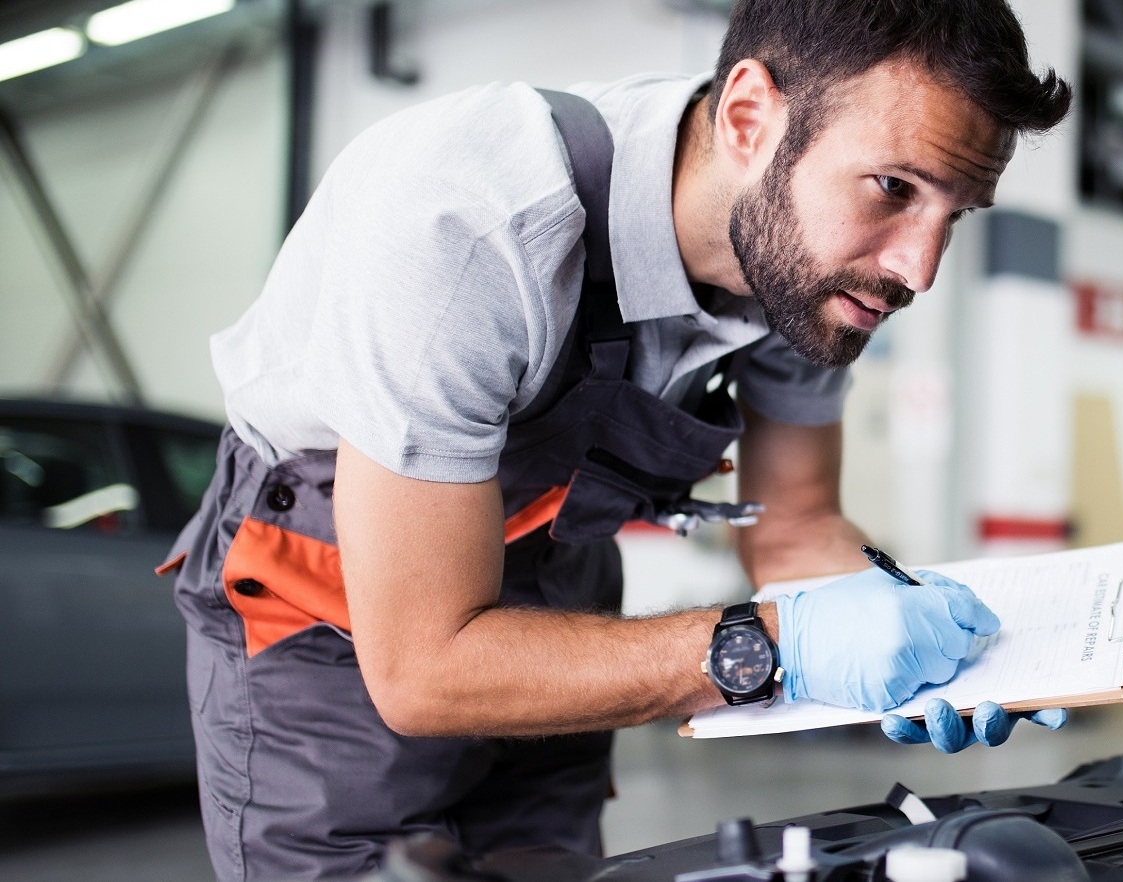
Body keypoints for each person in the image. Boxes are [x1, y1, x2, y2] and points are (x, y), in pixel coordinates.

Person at [157, 2, 1072, 878]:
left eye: (953, 215)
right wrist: (773, 646)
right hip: (333, 595)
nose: (917, 266)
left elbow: (794, 531)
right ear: (750, 117)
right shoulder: (468, 227)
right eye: (893, 188)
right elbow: (424, 669)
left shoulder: (818, 275)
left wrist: (928, 643)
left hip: (561, 573)